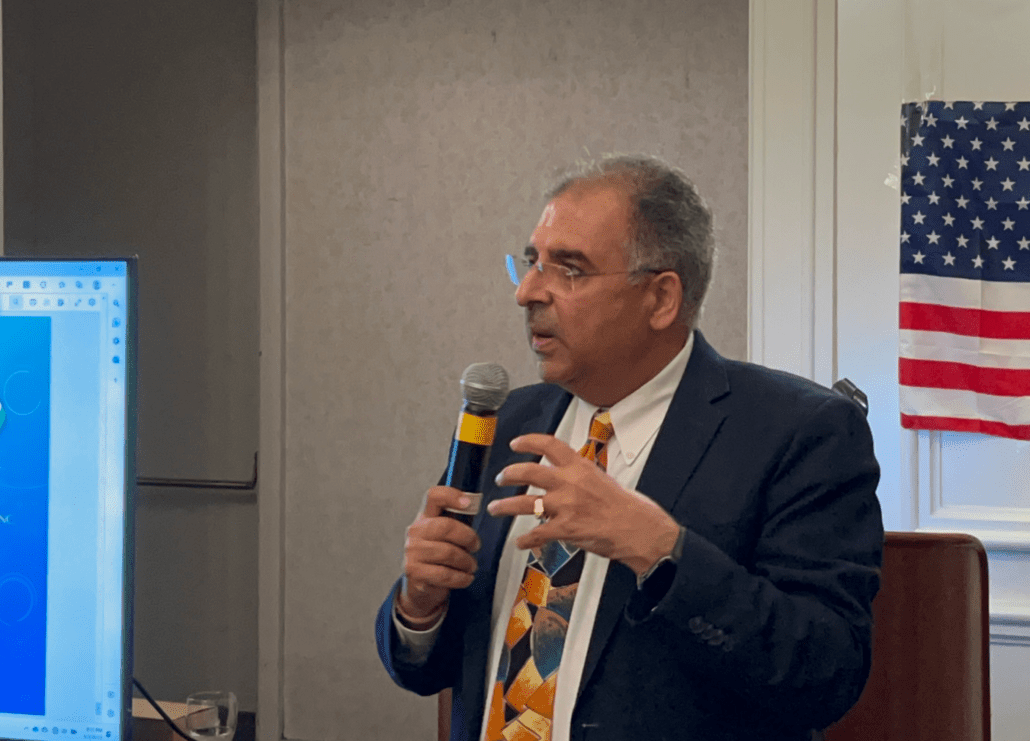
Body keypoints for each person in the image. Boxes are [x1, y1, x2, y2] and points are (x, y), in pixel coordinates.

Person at [376, 155, 883, 741]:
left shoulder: (800, 431)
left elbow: (825, 673)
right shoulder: (510, 420)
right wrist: (420, 606)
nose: (528, 292)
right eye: (532, 262)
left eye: (570, 270)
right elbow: (437, 666)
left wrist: (661, 550)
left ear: (661, 298)